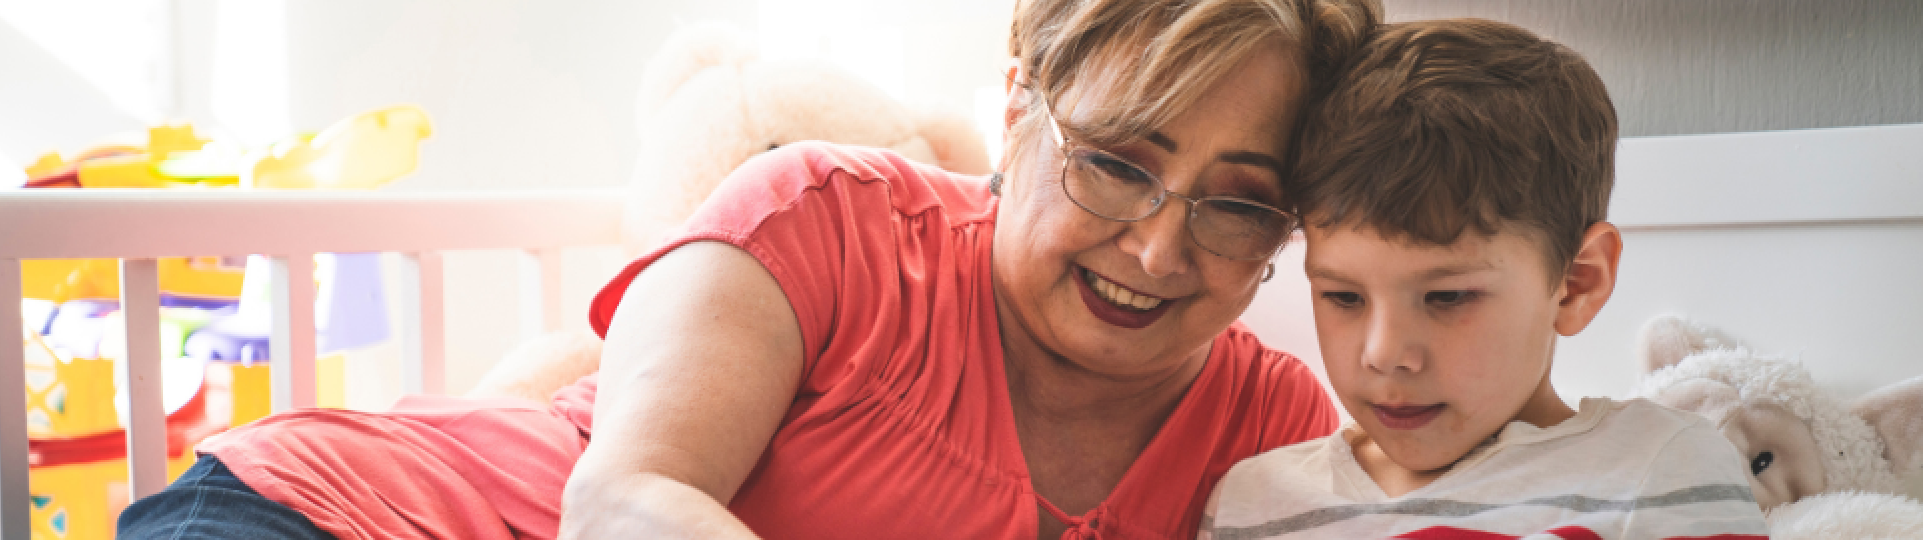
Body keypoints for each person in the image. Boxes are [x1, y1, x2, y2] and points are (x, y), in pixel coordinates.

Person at [117, 0, 1381, 538]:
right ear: (1017, 106)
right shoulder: (828, 212)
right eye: (1114, 163)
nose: (1158, 249)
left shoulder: (1264, 426)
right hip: (343, 517)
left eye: (1236, 207)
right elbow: (623, 502)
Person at [1201, 19, 1771, 539]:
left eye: (1447, 296)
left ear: (1576, 283)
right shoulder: (1253, 504)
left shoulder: (1658, 467)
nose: (1384, 354)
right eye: (1343, 296)